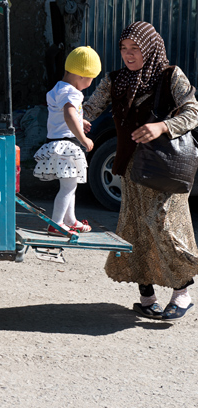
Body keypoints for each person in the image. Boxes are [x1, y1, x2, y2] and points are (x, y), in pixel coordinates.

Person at [83, 21, 198, 321]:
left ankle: (182, 293)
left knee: (163, 226)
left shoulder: (170, 76)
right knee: (135, 232)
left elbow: (192, 112)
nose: (129, 55)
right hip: (131, 170)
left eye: (135, 48)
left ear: (150, 47)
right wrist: (75, 118)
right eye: (124, 48)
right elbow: (90, 109)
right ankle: (147, 298)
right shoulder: (115, 80)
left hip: (164, 169)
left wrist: (163, 125)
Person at [32, 46, 100, 236]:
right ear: (82, 76)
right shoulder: (74, 93)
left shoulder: (57, 89)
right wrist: (84, 138)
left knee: (70, 185)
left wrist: (81, 120)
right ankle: (57, 223)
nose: (90, 83)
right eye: (91, 79)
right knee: (68, 187)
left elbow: (62, 113)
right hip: (68, 146)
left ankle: (70, 220)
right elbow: (70, 116)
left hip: (55, 143)